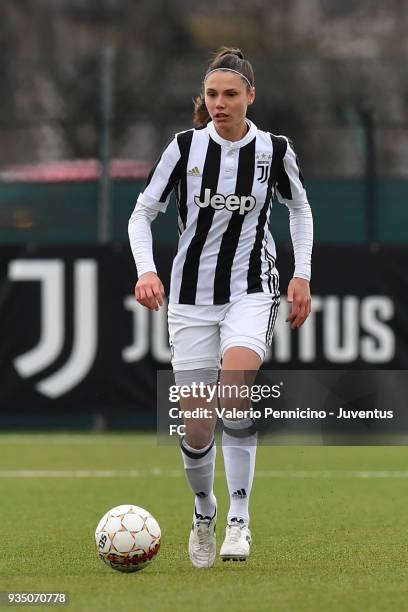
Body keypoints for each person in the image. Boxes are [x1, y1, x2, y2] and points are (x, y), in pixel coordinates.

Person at [128, 47, 313, 569]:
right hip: (189, 297)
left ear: (250, 96)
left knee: (235, 391)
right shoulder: (184, 148)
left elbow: (299, 209)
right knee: (196, 427)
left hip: (252, 287)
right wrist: (146, 269)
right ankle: (204, 510)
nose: (220, 103)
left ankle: (239, 518)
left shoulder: (274, 151)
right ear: (203, 98)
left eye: (231, 94)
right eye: (212, 94)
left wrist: (300, 275)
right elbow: (142, 213)